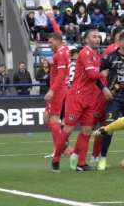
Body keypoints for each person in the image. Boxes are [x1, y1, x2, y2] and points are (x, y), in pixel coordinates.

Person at [51, 30, 110, 172]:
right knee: (68, 129)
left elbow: (96, 78)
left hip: (90, 98)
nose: (97, 39)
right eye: (93, 37)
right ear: (86, 40)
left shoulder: (97, 56)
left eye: (98, 37)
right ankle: (56, 159)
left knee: (87, 130)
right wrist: (102, 73)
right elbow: (91, 74)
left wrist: (103, 87)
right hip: (76, 97)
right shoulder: (85, 53)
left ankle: (81, 163)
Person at [96, 32, 124, 170]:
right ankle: (102, 159)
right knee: (109, 129)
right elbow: (97, 76)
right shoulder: (110, 58)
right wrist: (104, 89)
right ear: (120, 42)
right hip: (114, 99)